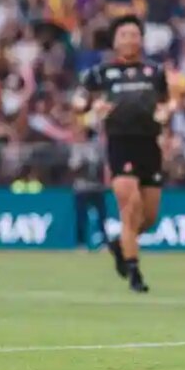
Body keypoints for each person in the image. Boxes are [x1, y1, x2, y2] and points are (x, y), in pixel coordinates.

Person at [72, 15, 172, 293]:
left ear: (141, 39)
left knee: (149, 218)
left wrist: (166, 115)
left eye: (134, 34)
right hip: (120, 145)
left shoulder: (155, 72)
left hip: (149, 145)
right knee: (130, 209)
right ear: (115, 41)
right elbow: (79, 102)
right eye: (124, 35)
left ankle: (119, 245)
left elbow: (165, 104)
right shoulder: (100, 73)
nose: (129, 39)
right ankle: (134, 272)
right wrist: (91, 109)